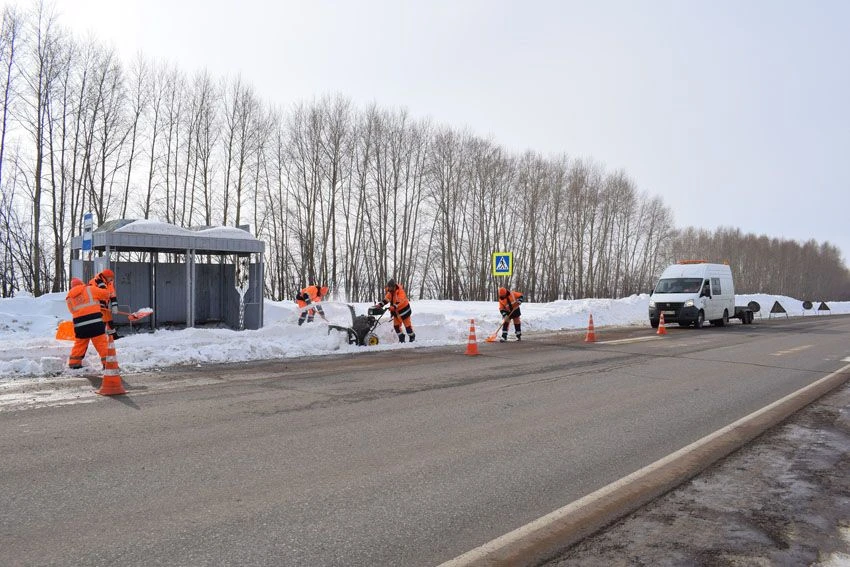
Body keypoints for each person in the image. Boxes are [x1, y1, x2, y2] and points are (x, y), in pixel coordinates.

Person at [65, 277, 112, 369]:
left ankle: (74, 363)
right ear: (82, 283)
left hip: (80, 325)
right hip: (95, 322)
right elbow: (106, 294)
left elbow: (72, 311)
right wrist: (101, 285)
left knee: (80, 344)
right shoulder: (90, 289)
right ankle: (108, 364)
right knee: (101, 343)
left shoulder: (69, 297)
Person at [377, 279, 415, 343]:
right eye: (388, 287)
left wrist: (393, 307)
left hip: (404, 312)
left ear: (394, 286)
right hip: (396, 313)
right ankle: (401, 338)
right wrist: (380, 305)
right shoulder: (390, 292)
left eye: (390, 287)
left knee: (407, 326)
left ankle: (412, 337)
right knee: (396, 326)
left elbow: (400, 301)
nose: (389, 289)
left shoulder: (400, 292)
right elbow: (386, 299)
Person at [89, 268, 119, 339]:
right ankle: (99, 338)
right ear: (106, 277)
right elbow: (92, 293)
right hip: (97, 306)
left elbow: (112, 294)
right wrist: (99, 304)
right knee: (101, 321)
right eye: (110, 278)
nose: (111, 279)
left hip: (105, 306)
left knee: (109, 320)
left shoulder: (110, 283)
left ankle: (113, 336)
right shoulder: (94, 281)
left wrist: (114, 305)